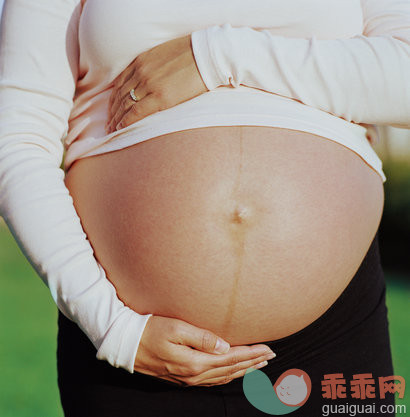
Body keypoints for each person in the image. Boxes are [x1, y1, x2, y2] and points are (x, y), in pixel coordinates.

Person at [0, 0, 408, 415]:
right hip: (132, 337)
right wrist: (112, 327)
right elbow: (18, 139)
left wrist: (216, 56)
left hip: (332, 334)